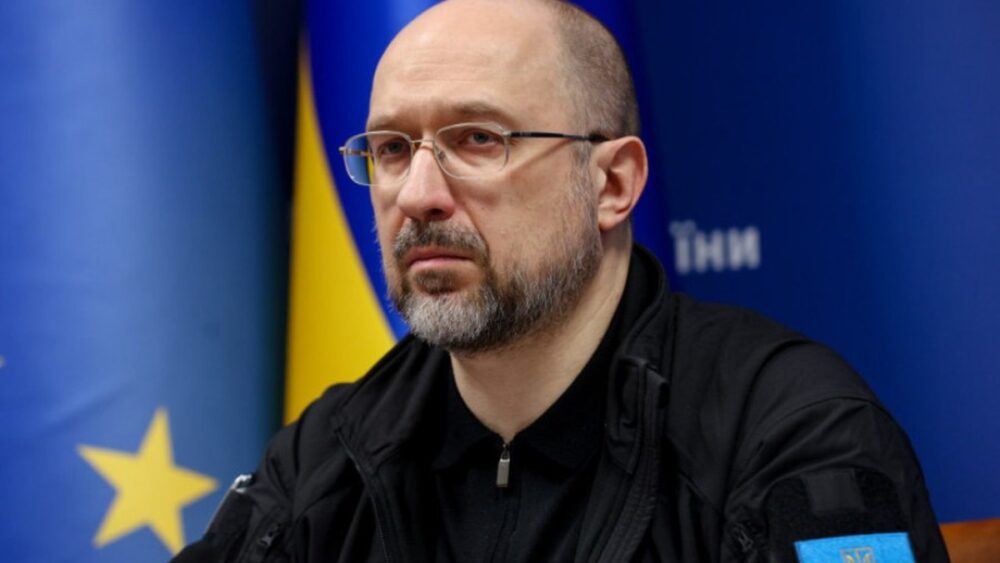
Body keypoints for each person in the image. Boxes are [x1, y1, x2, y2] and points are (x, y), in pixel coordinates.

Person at [175, 0, 948, 561]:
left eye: (477, 139)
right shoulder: (330, 451)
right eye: (391, 149)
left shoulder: (792, 428)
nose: (417, 193)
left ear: (612, 183)